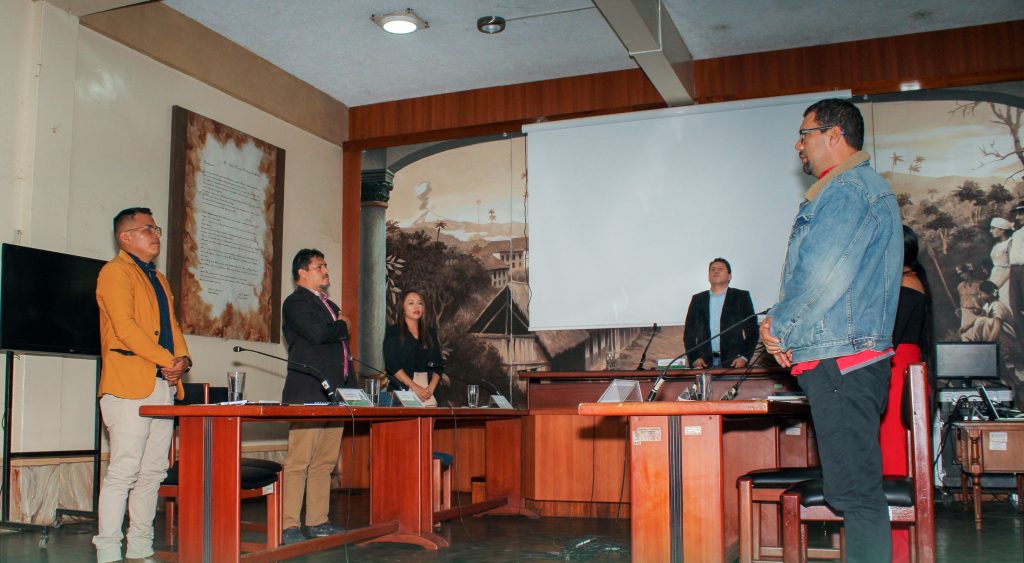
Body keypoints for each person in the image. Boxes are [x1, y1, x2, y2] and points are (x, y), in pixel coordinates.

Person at [759, 98, 902, 563]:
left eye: (805, 134)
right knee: (850, 491)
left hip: (843, 363)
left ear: (834, 135)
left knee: (857, 496)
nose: (798, 145)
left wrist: (779, 328)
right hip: (846, 359)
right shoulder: (854, 189)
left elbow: (822, 276)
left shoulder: (847, 190)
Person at [94, 207, 192, 563]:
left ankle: (140, 547)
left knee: (153, 471)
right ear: (126, 237)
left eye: (156, 228)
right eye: (148, 228)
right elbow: (125, 328)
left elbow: (172, 327)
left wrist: (182, 360)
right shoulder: (114, 272)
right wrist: (167, 359)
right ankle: (108, 550)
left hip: (162, 386)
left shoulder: (158, 278)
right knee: (124, 470)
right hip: (127, 387)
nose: (156, 235)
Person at [280, 248, 356, 544]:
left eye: (325, 265)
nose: (326, 270)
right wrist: (344, 325)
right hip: (308, 391)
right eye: (319, 266)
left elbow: (342, 352)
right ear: (302, 272)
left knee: (325, 462)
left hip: (335, 393)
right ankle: (289, 525)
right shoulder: (296, 302)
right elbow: (318, 334)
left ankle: (318, 521)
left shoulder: (330, 305)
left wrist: (351, 389)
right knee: (299, 461)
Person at [880, 226, 931, 563]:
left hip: (897, 372)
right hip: (901, 368)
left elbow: (889, 338)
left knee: (893, 459)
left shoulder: (906, 287)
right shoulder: (911, 282)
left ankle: (896, 550)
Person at [682, 257, 757, 368]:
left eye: (720, 269)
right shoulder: (698, 299)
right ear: (708, 276)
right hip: (704, 362)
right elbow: (689, 334)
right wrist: (694, 358)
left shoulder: (741, 297)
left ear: (729, 276)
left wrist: (743, 357)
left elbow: (752, 332)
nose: (716, 271)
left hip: (734, 362)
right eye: (712, 269)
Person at [382, 290, 445, 406]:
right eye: (411, 303)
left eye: (419, 303)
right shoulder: (394, 332)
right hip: (404, 389)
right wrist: (415, 387)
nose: (416, 306)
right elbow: (392, 365)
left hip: (429, 392)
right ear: (403, 309)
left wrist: (430, 389)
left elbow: (438, 366)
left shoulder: (430, 333)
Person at [988, 217, 1013, 309]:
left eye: (993, 228)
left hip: (1006, 278)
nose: (990, 231)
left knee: (1006, 302)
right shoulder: (996, 245)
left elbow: (1011, 265)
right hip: (994, 277)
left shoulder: (1009, 243)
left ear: (1002, 230)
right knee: (994, 304)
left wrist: (998, 285)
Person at [955, 262, 984, 335]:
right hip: (965, 315)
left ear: (968, 271)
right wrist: (960, 309)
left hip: (977, 313)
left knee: (978, 334)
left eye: (962, 273)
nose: (961, 276)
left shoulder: (980, 284)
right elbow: (962, 300)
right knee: (966, 334)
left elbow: (984, 302)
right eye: (960, 274)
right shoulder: (960, 286)